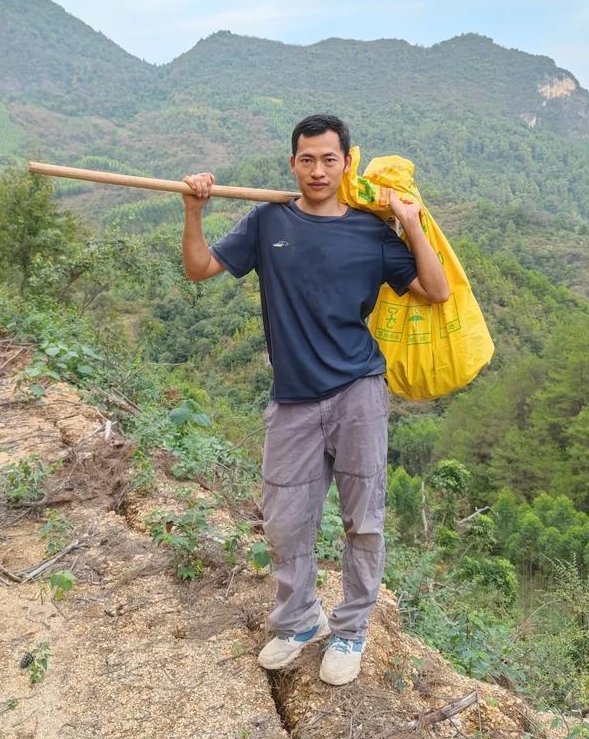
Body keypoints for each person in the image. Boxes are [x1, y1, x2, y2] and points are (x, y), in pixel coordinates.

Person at [181, 113, 449, 686]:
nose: (319, 169)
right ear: (293, 164)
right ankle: (301, 621)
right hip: (293, 400)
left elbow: (436, 289)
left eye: (330, 159)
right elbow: (200, 268)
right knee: (284, 521)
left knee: (364, 521)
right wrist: (194, 208)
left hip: (358, 394)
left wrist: (409, 223)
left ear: (347, 163)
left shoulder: (371, 234)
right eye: (308, 159)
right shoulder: (266, 221)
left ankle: (352, 629)